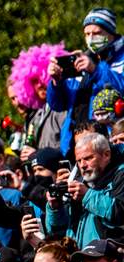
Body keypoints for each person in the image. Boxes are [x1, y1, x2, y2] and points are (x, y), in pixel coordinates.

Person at [46, 9, 124, 155]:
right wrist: (57, 82)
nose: (91, 38)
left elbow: (121, 87)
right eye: (87, 34)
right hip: (76, 144)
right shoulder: (82, 60)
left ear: (111, 33)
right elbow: (58, 105)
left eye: (97, 33)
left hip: (110, 143)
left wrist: (96, 71)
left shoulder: (120, 58)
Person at [45, 133, 124, 246]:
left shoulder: (120, 175)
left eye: (88, 158)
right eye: (79, 161)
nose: (82, 165)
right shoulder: (79, 181)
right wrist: (55, 208)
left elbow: (120, 213)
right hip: (79, 254)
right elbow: (57, 232)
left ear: (106, 155)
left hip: (109, 254)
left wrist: (87, 195)